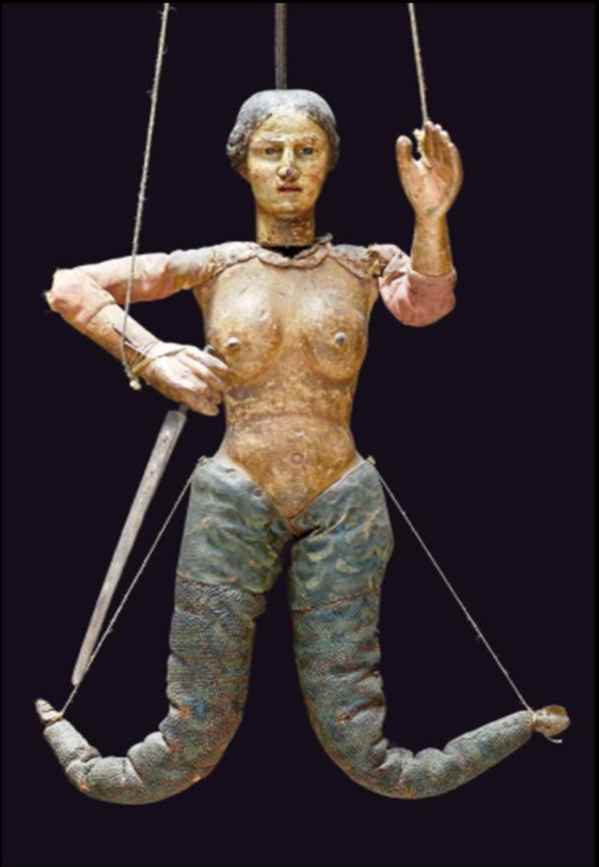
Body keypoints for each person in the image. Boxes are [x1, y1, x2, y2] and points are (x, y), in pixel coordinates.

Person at [37, 89, 568, 804]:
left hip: (340, 501)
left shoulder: (363, 265)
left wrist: (431, 217)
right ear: (243, 164)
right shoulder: (214, 265)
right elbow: (69, 288)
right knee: (184, 746)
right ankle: (72, 748)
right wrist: (151, 354)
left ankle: (525, 725)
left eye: (306, 150)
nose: (288, 167)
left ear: (329, 162)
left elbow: (425, 303)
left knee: (372, 758)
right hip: (234, 496)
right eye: (270, 150)